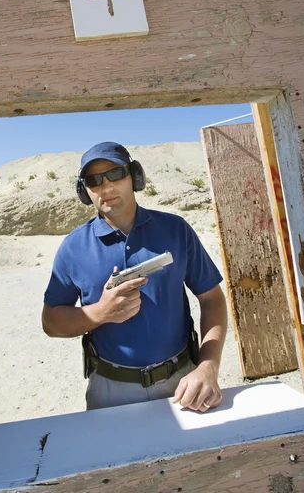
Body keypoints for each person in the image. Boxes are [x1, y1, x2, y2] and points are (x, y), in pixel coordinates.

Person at [42, 142, 227, 412]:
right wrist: (99, 313)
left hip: (183, 382)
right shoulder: (73, 247)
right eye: (94, 181)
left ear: (135, 177)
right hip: (109, 390)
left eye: (115, 174)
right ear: (85, 191)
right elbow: (50, 322)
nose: (105, 187)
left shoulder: (177, 230)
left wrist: (209, 367)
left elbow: (212, 300)